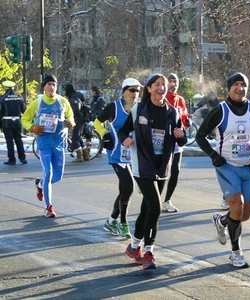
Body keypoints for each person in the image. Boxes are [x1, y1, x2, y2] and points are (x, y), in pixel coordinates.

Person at [195, 73, 250, 268]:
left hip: (247, 167)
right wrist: (213, 155)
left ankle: (222, 221)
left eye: (243, 84)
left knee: (245, 214)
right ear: (229, 88)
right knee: (237, 207)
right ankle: (236, 253)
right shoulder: (220, 111)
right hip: (226, 166)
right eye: (235, 84)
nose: (239, 88)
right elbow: (200, 136)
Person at [118, 73, 187, 270]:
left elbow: (181, 139)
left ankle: (133, 247)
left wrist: (181, 135)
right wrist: (125, 139)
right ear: (149, 88)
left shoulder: (173, 112)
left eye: (163, 85)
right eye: (157, 84)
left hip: (162, 166)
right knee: (156, 208)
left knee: (147, 209)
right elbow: (122, 131)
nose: (161, 88)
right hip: (142, 165)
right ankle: (148, 251)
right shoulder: (138, 110)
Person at [94, 78, 142, 238]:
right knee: (128, 186)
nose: (135, 94)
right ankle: (123, 222)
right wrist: (105, 134)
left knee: (125, 189)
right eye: (132, 90)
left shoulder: (140, 107)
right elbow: (96, 123)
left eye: (138, 91)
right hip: (117, 154)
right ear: (124, 91)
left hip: (133, 154)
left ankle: (111, 220)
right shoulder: (113, 107)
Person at [21, 74, 75, 218]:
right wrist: (32, 128)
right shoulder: (38, 102)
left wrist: (70, 123)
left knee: (57, 177)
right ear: (44, 86)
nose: (52, 87)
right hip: (44, 144)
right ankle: (48, 207)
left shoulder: (63, 101)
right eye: (49, 84)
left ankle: (40, 184)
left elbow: (71, 117)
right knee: (49, 173)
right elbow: (25, 119)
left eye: (54, 84)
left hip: (59, 143)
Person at [162, 73, 191, 213]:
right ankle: (151, 197)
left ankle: (167, 200)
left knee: (175, 171)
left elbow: (184, 116)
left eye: (176, 81)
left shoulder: (180, 100)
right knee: (160, 170)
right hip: (162, 140)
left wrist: (187, 122)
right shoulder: (162, 98)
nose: (174, 84)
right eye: (171, 81)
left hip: (177, 140)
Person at [0, 80, 27, 165]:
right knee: (18, 139)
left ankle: (12, 159)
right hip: (17, 121)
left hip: (7, 122)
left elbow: (1, 112)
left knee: (9, 140)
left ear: (5, 88)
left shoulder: (3, 98)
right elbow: (24, 110)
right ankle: (22, 158)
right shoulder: (19, 97)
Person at [65, 83, 89, 162]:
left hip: (78, 120)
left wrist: (69, 115)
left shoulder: (74, 98)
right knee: (79, 138)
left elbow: (75, 109)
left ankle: (80, 157)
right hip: (82, 119)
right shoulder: (77, 96)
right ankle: (86, 155)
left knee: (75, 138)